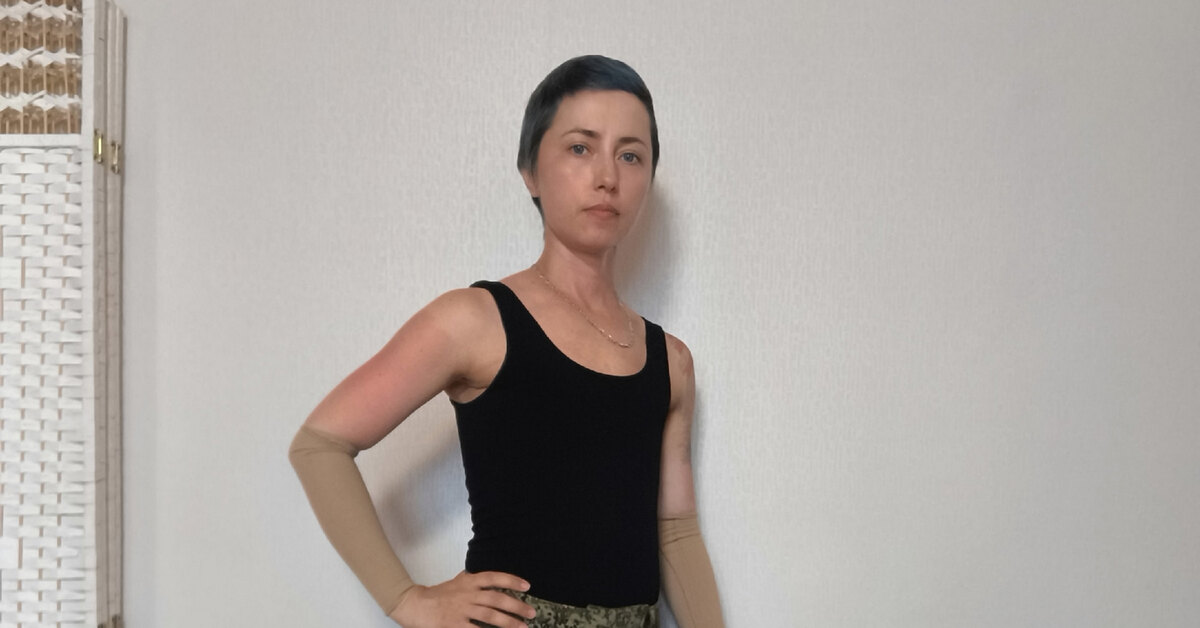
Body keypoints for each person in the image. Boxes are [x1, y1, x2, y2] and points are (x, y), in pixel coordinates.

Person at [289, 55, 724, 628]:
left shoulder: (671, 361)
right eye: (580, 148)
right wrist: (406, 600)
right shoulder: (475, 321)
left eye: (630, 155)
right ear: (530, 171)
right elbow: (320, 445)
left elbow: (676, 531)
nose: (607, 176)